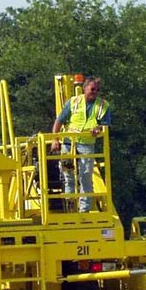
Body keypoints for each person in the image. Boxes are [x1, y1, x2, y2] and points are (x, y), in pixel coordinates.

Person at [50, 76, 111, 213]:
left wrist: (99, 129)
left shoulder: (103, 105)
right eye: (92, 89)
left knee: (86, 175)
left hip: (87, 144)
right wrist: (55, 140)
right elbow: (59, 121)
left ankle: (84, 209)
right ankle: (70, 205)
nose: (95, 92)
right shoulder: (73, 102)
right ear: (85, 88)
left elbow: (105, 125)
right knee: (68, 172)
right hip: (68, 142)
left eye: (97, 90)